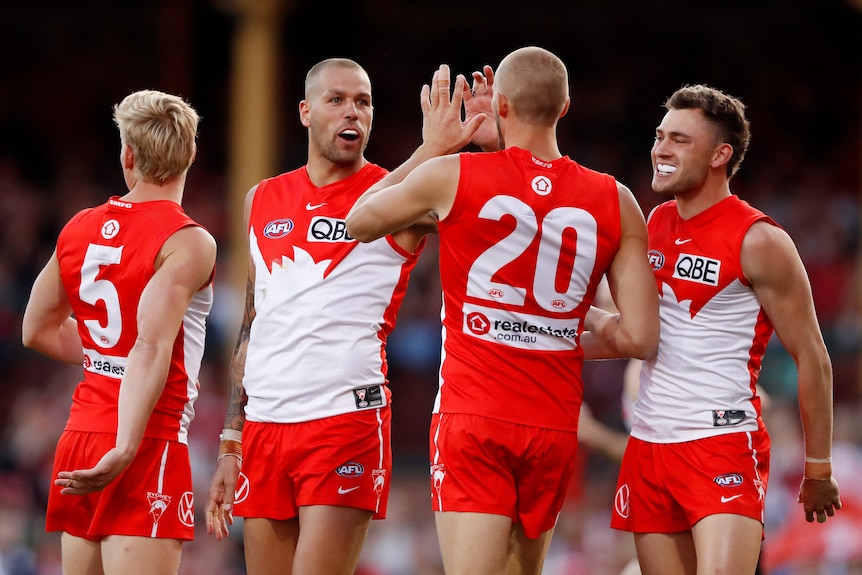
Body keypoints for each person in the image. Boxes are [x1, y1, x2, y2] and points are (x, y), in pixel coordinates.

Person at [346, 46, 659, 575]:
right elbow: (639, 338)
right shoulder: (616, 200)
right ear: (564, 108)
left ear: (503, 107)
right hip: (553, 424)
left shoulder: (452, 175)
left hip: (474, 416)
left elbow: (358, 220)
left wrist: (432, 148)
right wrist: (549, 325)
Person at [203, 58, 484, 575]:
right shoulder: (261, 199)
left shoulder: (406, 199)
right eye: (336, 100)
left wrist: (492, 147)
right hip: (264, 428)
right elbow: (252, 324)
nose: (352, 111)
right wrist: (230, 441)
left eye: (363, 101)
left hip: (344, 421)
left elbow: (493, 207)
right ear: (306, 112)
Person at [590, 84, 842, 575]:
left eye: (679, 139)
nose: (661, 148)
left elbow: (813, 357)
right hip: (648, 445)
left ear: (719, 155)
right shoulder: (652, 224)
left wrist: (818, 468)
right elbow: (637, 333)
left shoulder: (760, 239)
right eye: (660, 136)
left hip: (721, 442)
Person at [21, 89, 216, 575]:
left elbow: (37, 329)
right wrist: (126, 443)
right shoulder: (188, 241)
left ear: (127, 154)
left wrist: (106, 358)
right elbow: (151, 343)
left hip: (82, 430)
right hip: (146, 437)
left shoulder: (79, 227)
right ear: (191, 153)